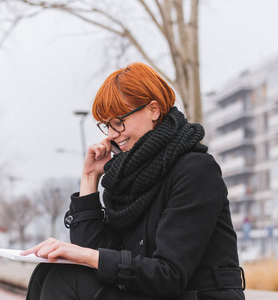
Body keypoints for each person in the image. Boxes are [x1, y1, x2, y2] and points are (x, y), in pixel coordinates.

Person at [21, 62, 245, 300]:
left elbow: (169, 275)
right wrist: (89, 178)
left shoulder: (196, 170)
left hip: (196, 294)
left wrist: (87, 257)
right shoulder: (130, 177)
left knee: (65, 279)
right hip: (152, 293)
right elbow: (93, 250)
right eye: (106, 125)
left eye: (118, 122)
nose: (110, 135)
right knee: (47, 271)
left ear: (153, 110)